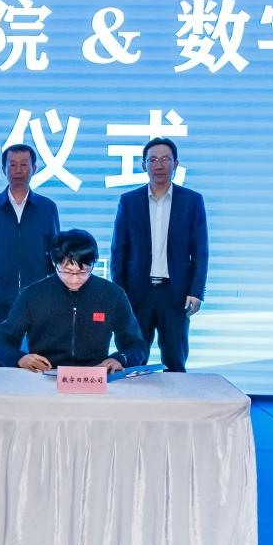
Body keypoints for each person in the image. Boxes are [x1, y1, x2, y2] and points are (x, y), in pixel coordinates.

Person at [109, 138, 208, 372]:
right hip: (137, 293)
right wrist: (120, 292)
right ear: (144, 165)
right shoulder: (129, 201)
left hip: (175, 293)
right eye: (152, 160)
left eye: (165, 159)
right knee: (132, 358)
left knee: (175, 359)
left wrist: (196, 291)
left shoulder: (192, 201)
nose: (159, 165)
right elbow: (118, 250)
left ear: (176, 164)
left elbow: (200, 250)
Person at [0, 229, 146, 373]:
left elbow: (137, 345)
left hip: (94, 377)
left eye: (83, 272)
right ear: (54, 264)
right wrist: (20, 359)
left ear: (93, 264)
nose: (74, 279)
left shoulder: (112, 295)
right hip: (44, 375)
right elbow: (2, 342)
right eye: (67, 271)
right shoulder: (32, 295)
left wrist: (119, 359)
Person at [0, 143, 61, 365]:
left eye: (24, 165)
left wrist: (56, 292)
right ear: (4, 169)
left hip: (38, 297)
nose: (18, 170)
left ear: (34, 168)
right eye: (12, 165)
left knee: (40, 358)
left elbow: (55, 255)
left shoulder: (47, 208)